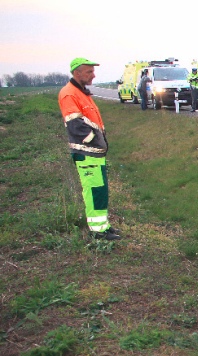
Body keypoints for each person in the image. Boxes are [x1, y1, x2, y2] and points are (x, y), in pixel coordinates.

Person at [58, 57, 121, 240]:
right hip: (87, 153)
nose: (93, 75)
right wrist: (95, 141)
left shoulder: (81, 92)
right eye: (89, 72)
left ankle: (103, 226)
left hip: (94, 153)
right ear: (77, 73)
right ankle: (98, 232)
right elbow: (75, 125)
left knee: (100, 191)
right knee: (93, 191)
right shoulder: (69, 93)